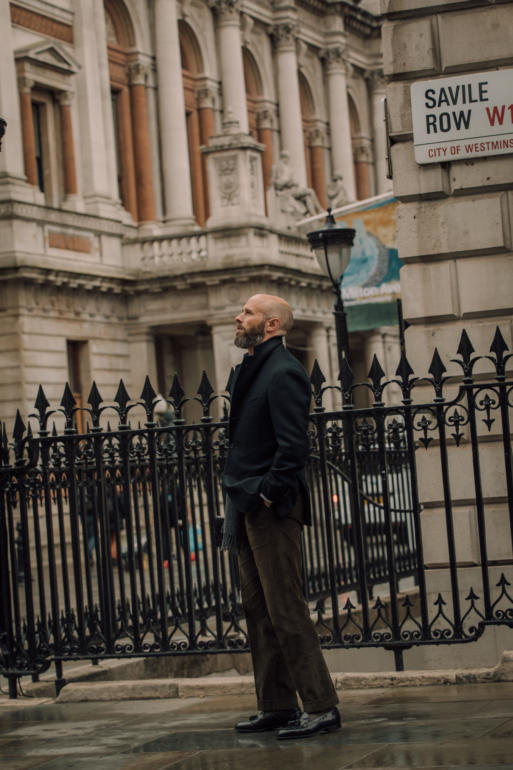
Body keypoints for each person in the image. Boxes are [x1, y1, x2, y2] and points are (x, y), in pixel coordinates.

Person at [222, 293, 340, 740]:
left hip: (271, 508)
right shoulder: (249, 369)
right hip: (245, 504)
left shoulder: (284, 371)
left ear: (271, 325)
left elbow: (293, 447)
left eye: (248, 312)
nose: (239, 316)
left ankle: (321, 705)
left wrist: (269, 493)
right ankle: (277, 706)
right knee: (257, 608)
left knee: (286, 609)